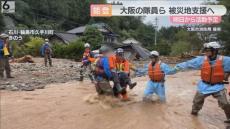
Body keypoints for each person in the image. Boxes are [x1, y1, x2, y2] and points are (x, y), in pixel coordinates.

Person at [174, 42, 230, 123]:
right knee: (197, 101)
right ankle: (194, 115)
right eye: (206, 50)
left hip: (218, 86)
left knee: (225, 103)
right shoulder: (201, 59)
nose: (206, 52)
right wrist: (177, 67)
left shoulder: (226, 60)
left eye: (208, 50)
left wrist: (227, 74)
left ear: (215, 51)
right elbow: (188, 64)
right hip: (204, 85)